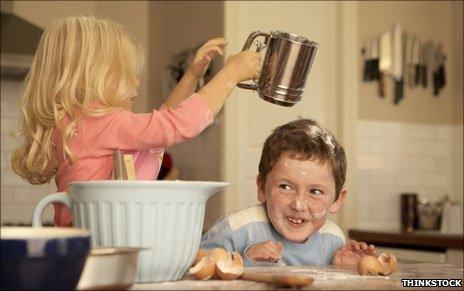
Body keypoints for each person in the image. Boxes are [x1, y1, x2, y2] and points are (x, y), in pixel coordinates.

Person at [11, 16, 261, 227]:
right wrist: (229, 76)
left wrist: (192, 76)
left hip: (83, 245)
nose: (137, 82)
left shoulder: (78, 123)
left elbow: (159, 127)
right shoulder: (100, 123)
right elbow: (173, 126)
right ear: (93, 75)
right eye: (126, 73)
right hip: (100, 247)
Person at [200, 118, 375, 266]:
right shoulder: (236, 230)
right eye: (285, 187)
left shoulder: (333, 240)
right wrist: (245, 262)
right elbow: (194, 272)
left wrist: (342, 272)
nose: (298, 205)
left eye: (315, 191)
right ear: (261, 187)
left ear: (337, 199)